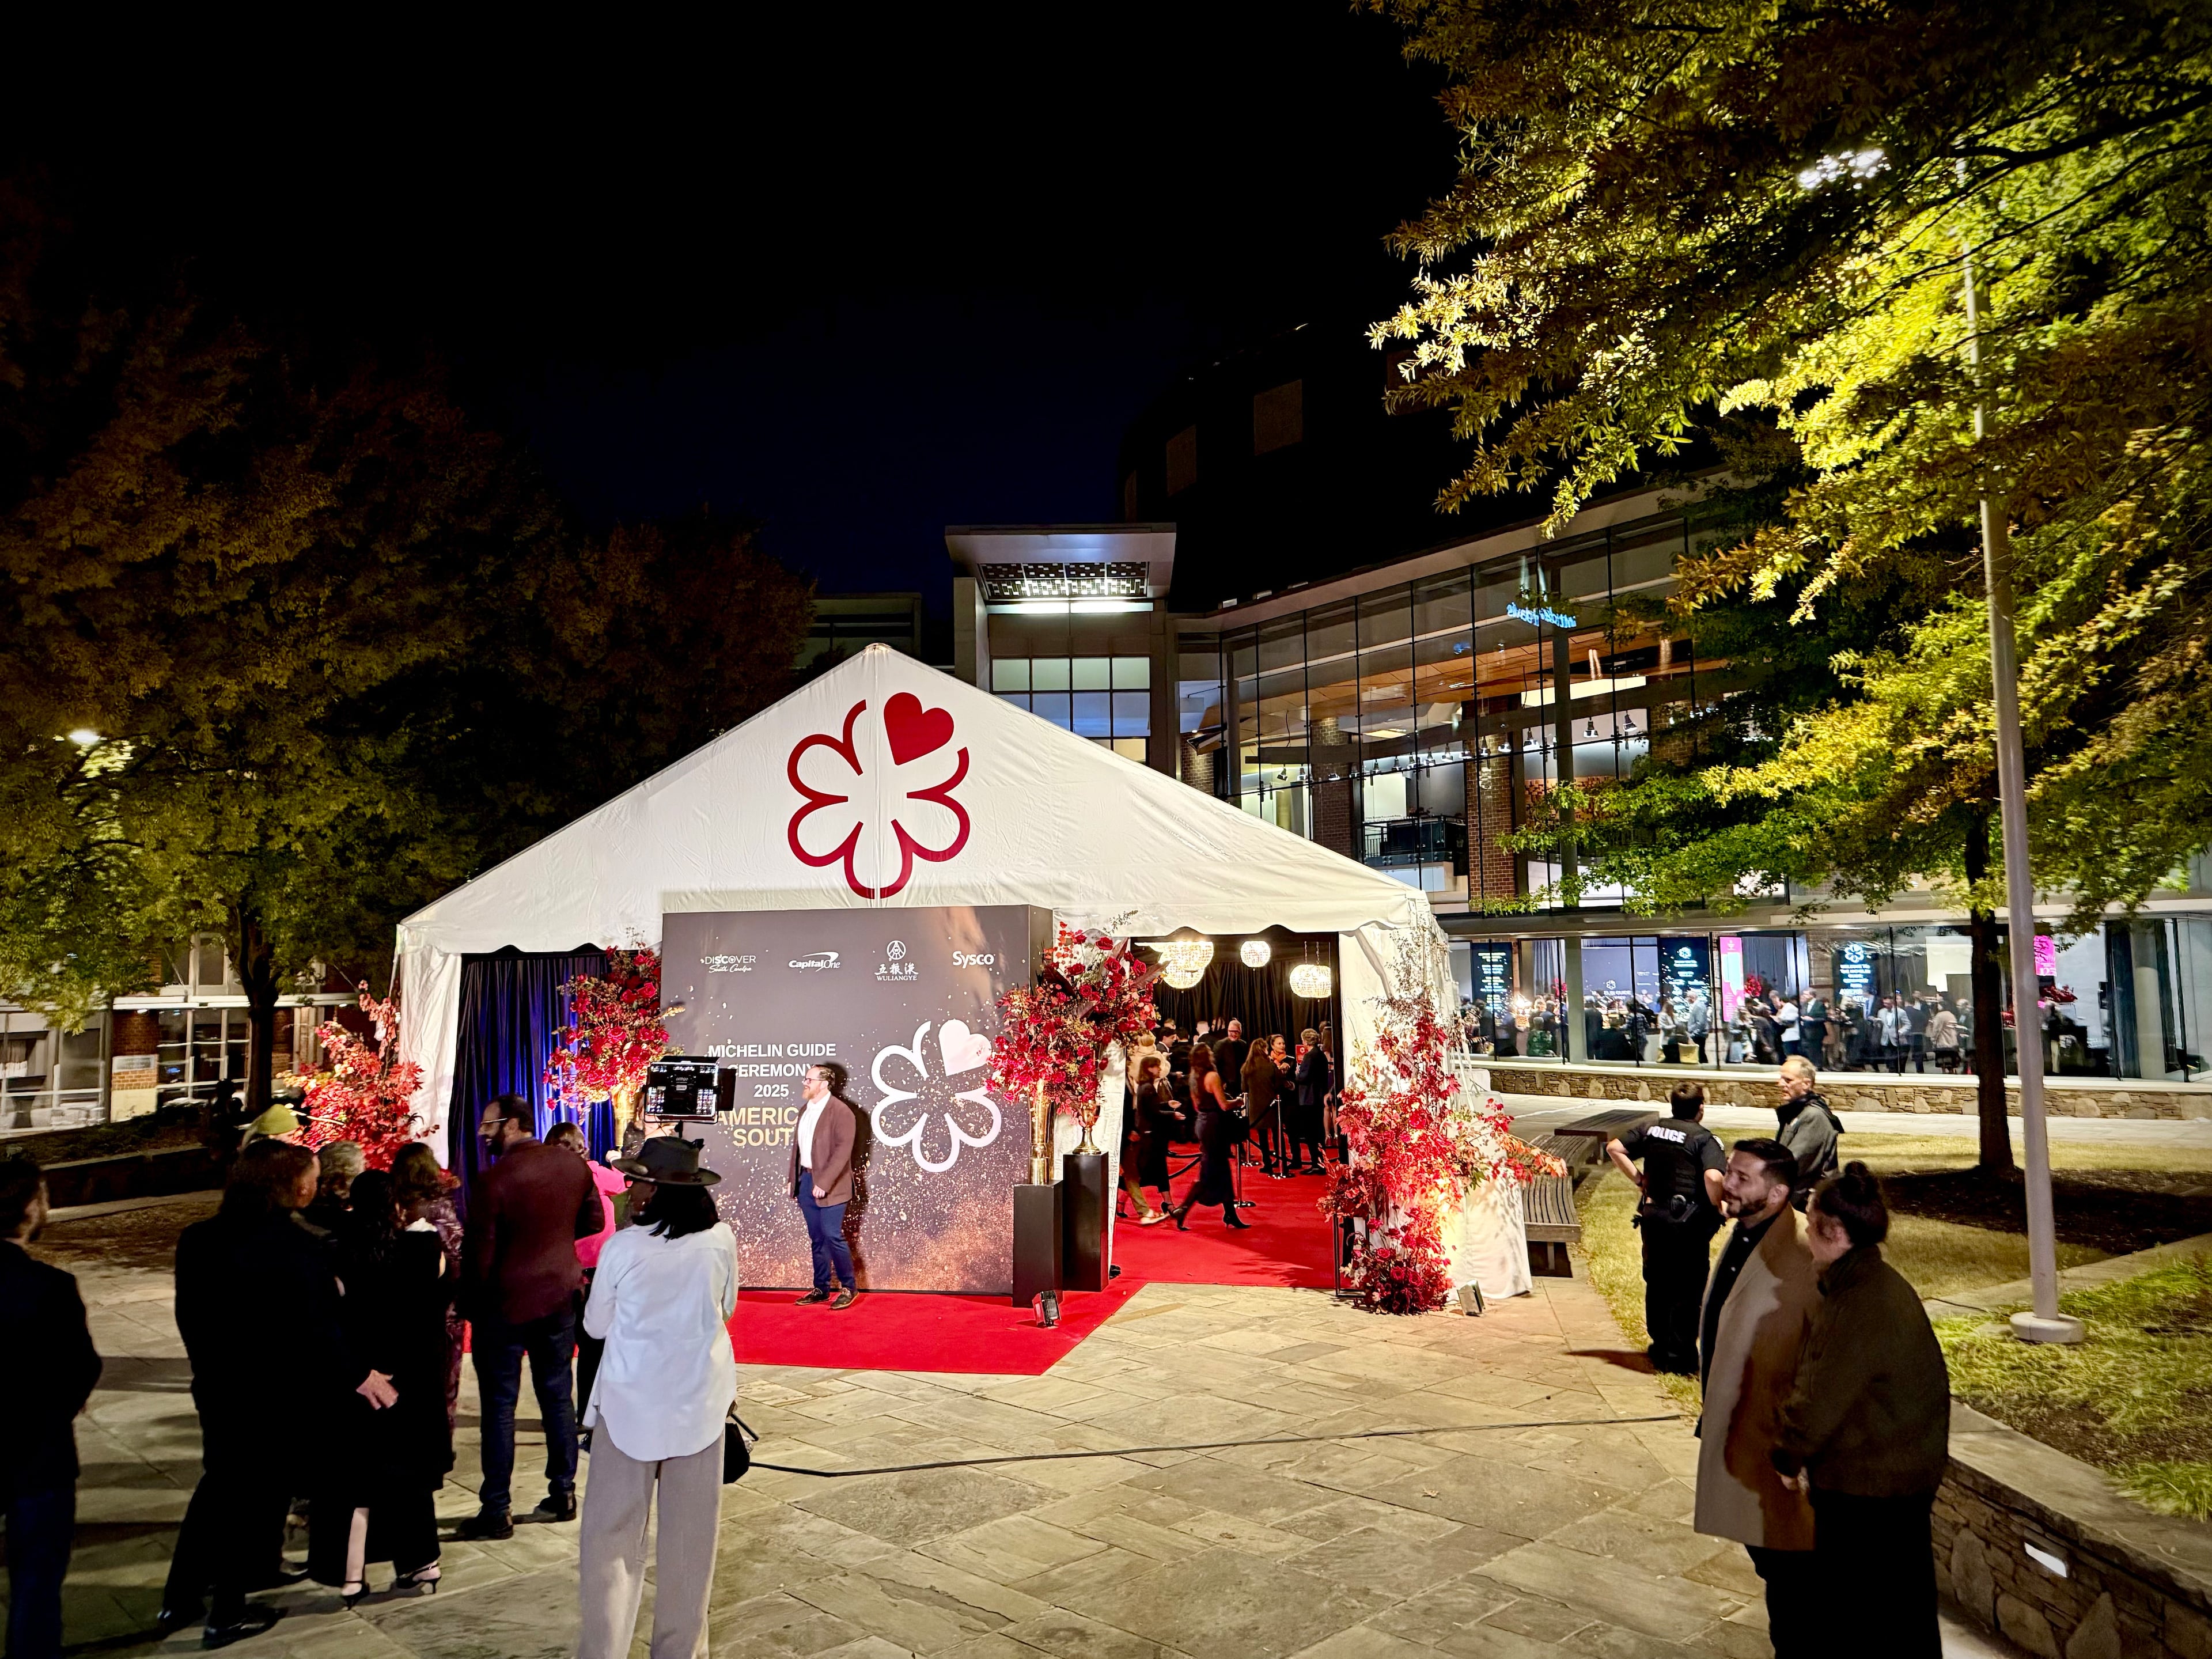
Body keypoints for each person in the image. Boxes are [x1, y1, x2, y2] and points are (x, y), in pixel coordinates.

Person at [166, 1139, 391, 1646]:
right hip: (274, 1397)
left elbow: (191, 1318)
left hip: (219, 1386)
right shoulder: (297, 1249)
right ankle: (225, 1613)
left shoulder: (199, 1239)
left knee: (223, 1488)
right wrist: (360, 1374)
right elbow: (319, 1330)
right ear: (291, 1187)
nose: (314, 1186)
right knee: (243, 1499)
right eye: (309, 1177)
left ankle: (186, 1593)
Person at [1771, 1164, 1951, 1657]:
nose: (1805, 1232)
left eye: (1810, 1224)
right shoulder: (1874, 1283)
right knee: (1903, 1607)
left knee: (1861, 1617)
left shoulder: (1859, 1302)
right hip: (1899, 1477)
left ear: (1833, 1232)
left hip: (1868, 1486)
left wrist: (1787, 1458)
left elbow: (1819, 1394)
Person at [578, 1137, 738, 1659]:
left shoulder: (623, 1248)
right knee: (693, 1546)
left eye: (638, 1180)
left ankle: (602, 1652)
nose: (632, 1189)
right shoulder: (721, 1241)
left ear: (656, 1189)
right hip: (700, 1403)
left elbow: (595, 1325)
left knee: (611, 1541)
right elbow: (728, 1308)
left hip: (629, 1405)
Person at [1693, 1139, 1817, 1656]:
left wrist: (1797, 1443)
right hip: (1737, 1423)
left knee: (1792, 1571)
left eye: (1743, 1177)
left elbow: (1817, 1358)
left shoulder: (1804, 1253)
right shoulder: (1745, 1231)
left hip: (1774, 1436)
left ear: (1779, 1191)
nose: (1729, 1183)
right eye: (1730, 1172)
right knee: (1768, 1557)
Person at [459, 1093, 602, 1539]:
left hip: (504, 1304)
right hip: (559, 1296)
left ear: (516, 1124)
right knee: (557, 1397)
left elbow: (480, 1257)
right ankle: (564, 1494)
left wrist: (469, 1307)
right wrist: (554, 1241)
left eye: (490, 1125)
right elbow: (593, 1220)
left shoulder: (493, 1180)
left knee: (499, 1406)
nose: (484, 1134)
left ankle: (497, 1509)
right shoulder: (573, 1167)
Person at [308, 1170, 453, 1603]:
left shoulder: (335, 1253)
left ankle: (351, 1576)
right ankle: (422, 1564)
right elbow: (441, 1303)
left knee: (356, 1482)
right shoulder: (426, 1249)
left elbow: (329, 1320)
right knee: (410, 1477)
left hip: (362, 1381)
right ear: (396, 1206)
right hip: (414, 1379)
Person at [0, 1158, 101, 1659]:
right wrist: (56, 1409)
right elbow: (81, 1368)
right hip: (38, 1453)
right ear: (29, 1207)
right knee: (37, 1580)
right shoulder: (50, 1287)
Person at [1605, 1083, 1725, 1374]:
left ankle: (1659, 1347)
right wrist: (1719, 1206)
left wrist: (1639, 1179)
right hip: (1688, 1222)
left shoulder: (1651, 1128)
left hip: (1654, 1216)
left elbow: (1614, 1148)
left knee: (1657, 1281)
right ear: (1701, 1108)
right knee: (1687, 1286)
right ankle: (1680, 1357)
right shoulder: (1705, 1139)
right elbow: (1712, 1176)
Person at [548, 1122, 626, 1418]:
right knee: (593, 1345)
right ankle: (586, 1413)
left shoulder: (549, 1178)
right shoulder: (594, 1172)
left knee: (561, 1347)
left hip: (563, 1271)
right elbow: (622, 1183)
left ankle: (561, 1414)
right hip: (595, 1272)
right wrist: (616, 1160)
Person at [391, 1143, 465, 1432]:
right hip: (443, 1306)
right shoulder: (441, 1206)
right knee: (446, 1374)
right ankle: (441, 1434)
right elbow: (457, 1254)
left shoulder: (394, 1207)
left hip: (402, 1304)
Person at [789, 1061, 859, 1308]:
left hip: (833, 1185)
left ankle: (848, 1288)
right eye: (806, 1079)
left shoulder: (841, 1112)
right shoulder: (805, 1110)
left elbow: (843, 1152)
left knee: (832, 1235)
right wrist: (793, 1179)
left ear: (824, 1084)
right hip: (806, 1181)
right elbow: (798, 1150)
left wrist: (825, 1181)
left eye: (810, 1079)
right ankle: (820, 1288)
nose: (805, 1083)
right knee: (817, 1237)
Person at [1169, 1044, 1249, 1230]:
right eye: (1210, 1053)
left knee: (1220, 1169)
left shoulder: (1194, 1078)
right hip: (1214, 1125)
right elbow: (1224, 1105)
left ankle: (1230, 1213)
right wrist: (1238, 1102)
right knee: (1210, 1171)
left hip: (1203, 1122)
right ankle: (1183, 1209)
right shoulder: (1212, 1076)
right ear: (1207, 1057)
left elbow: (1196, 1105)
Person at [1774, 1058, 1842, 1203]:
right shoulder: (1797, 1112)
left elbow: (1793, 1164)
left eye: (1788, 1080)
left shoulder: (1814, 1117)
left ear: (1806, 1084)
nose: (1780, 1084)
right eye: (1781, 1079)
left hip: (1809, 1206)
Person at [1122, 1054, 1172, 1224]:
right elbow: (1127, 1111)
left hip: (1132, 1133)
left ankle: (1129, 1206)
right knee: (1132, 1173)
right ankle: (1143, 1212)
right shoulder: (1135, 1085)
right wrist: (1130, 1131)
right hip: (1131, 1134)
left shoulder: (1132, 1083)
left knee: (1132, 1174)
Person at [1289, 1027, 1332, 1174]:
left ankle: (1316, 1164)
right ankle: (1321, 1162)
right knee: (1318, 1131)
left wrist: (1296, 1074)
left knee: (1311, 1133)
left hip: (1309, 1098)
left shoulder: (1309, 1056)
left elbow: (1304, 1077)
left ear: (1306, 1041)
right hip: (1318, 1096)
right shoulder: (1320, 1055)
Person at [1241, 1041, 1285, 1179]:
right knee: (1277, 1135)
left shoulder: (1247, 1068)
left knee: (1263, 1138)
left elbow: (1244, 1089)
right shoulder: (1271, 1066)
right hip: (1271, 1105)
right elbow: (1279, 1085)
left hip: (1256, 1107)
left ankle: (1267, 1163)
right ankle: (1282, 1161)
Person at [1213, 1020, 1249, 1093]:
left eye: (1236, 1032)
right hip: (1227, 1084)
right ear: (1228, 1031)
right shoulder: (1221, 1045)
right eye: (1231, 1031)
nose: (1233, 1034)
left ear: (1240, 1032)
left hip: (1241, 1083)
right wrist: (1222, 1081)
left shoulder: (1244, 1045)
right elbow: (1215, 1065)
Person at [1929, 1000, 1962, 1073]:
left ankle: (1945, 1074)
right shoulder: (1951, 1015)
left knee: (1944, 1062)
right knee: (1952, 1061)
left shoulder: (1940, 1016)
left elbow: (1937, 1029)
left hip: (1943, 1042)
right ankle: (1953, 1072)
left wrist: (1933, 1039)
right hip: (1953, 1041)